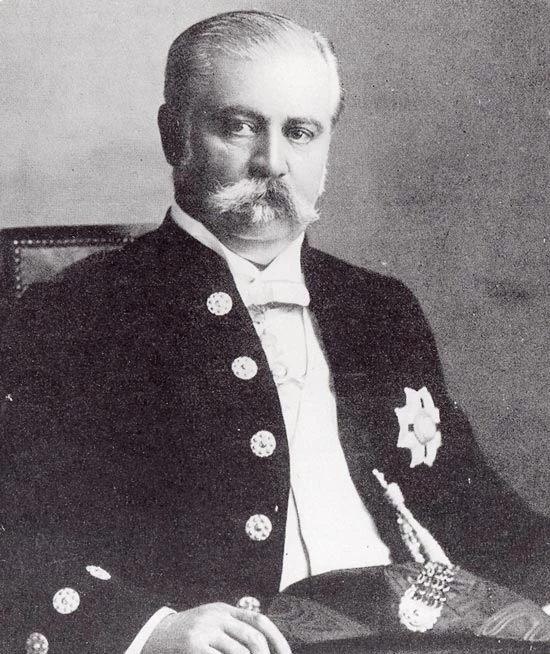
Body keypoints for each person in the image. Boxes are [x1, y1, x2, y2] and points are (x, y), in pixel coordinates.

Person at [1, 10, 550, 654]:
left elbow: (467, 503)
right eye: (239, 126)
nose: (273, 162)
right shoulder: (78, 311)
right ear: (173, 135)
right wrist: (150, 630)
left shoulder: (380, 307)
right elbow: (17, 537)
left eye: (300, 132)